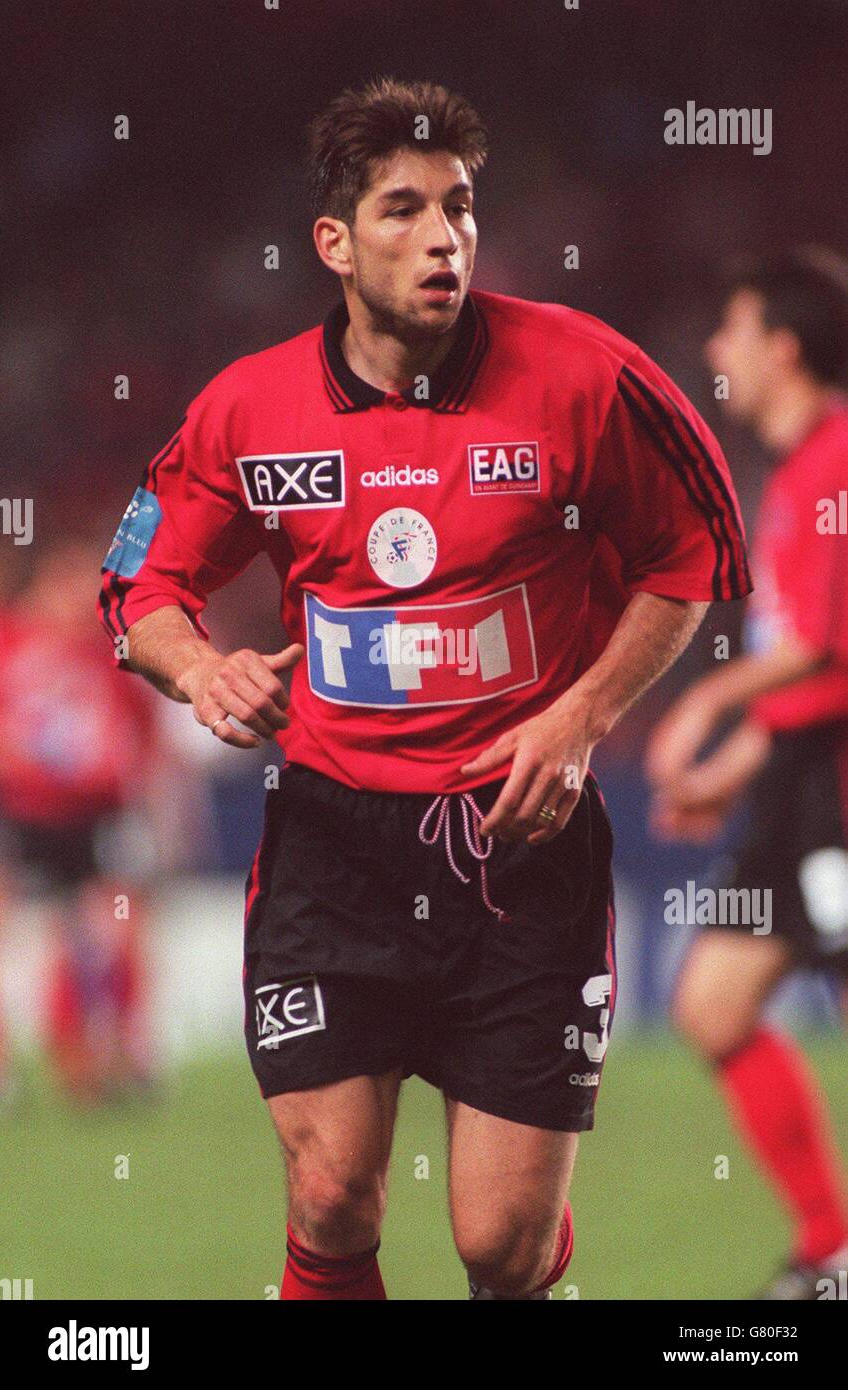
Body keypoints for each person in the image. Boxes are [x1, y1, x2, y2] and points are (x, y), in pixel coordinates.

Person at [98, 77, 750, 1300]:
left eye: (459, 205)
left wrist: (580, 714)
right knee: (332, 1196)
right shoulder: (250, 407)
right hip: (333, 845)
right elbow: (135, 585)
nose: (443, 234)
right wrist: (201, 667)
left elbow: (695, 552)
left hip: (522, 846)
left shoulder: (584, 376)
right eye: (402, 209)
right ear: (334, 244)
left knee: (498, 1248)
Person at [647, 248, 848, 1299]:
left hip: (839, 795)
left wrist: (706, 701)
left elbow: (818, 647)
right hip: (795, 779)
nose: (715, 352)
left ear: (783, 345)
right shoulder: (793, 472)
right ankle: (830, 1246)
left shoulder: (840, 461)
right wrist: (737, 767)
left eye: (732, 330)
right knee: (714, 1005)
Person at [0, 540, 157, 1103]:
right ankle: (7, 1065)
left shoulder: (103, 653)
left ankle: (113, 1053)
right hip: (20, 810)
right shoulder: (9, 642)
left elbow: (139, 731)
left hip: (95, 814)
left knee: (107, 928)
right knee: (15, 933)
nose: (82, 601)